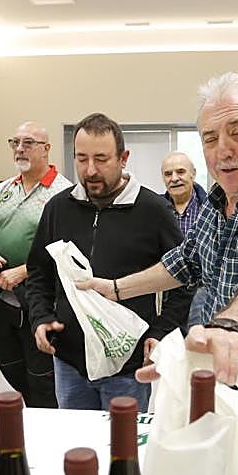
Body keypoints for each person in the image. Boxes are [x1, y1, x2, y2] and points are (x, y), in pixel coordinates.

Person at [77, 72, 238, 393]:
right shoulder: (218, 198)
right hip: (219, 381)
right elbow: (186, 261)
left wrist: (228, 326)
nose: (223, 150)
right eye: (210, 139)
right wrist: (115, 288)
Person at [25, 113, 189, 410]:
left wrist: (160, 331)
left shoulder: (153, 210)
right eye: (82, 159)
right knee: (77, 448)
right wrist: (40, 317)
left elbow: (185, 277)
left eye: (101, 159)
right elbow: (39, 271)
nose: (90, 170)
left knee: (123, 449)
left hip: (127, 366)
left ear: (123, 158)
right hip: (69, 361)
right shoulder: (58, 208)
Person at [0, 122, 72, 407]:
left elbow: (67, 250)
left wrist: (24, 271)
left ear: (46, 149)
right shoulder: (5, 188)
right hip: (3, 297)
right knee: (9, 360)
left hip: (41, 297)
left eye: (28, 142)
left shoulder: (62, 193)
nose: (19, 148)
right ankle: (30, 407)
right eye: (14, 142)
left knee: (42, 374)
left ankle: (46, 421)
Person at [160, 151, 210, 329]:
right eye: (168, 174)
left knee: (197, 345)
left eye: (180, 172)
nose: (174, 178)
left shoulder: (211, 209)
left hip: (201, 291)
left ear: (193, 174)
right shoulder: (155, 210)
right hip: (166, 293)